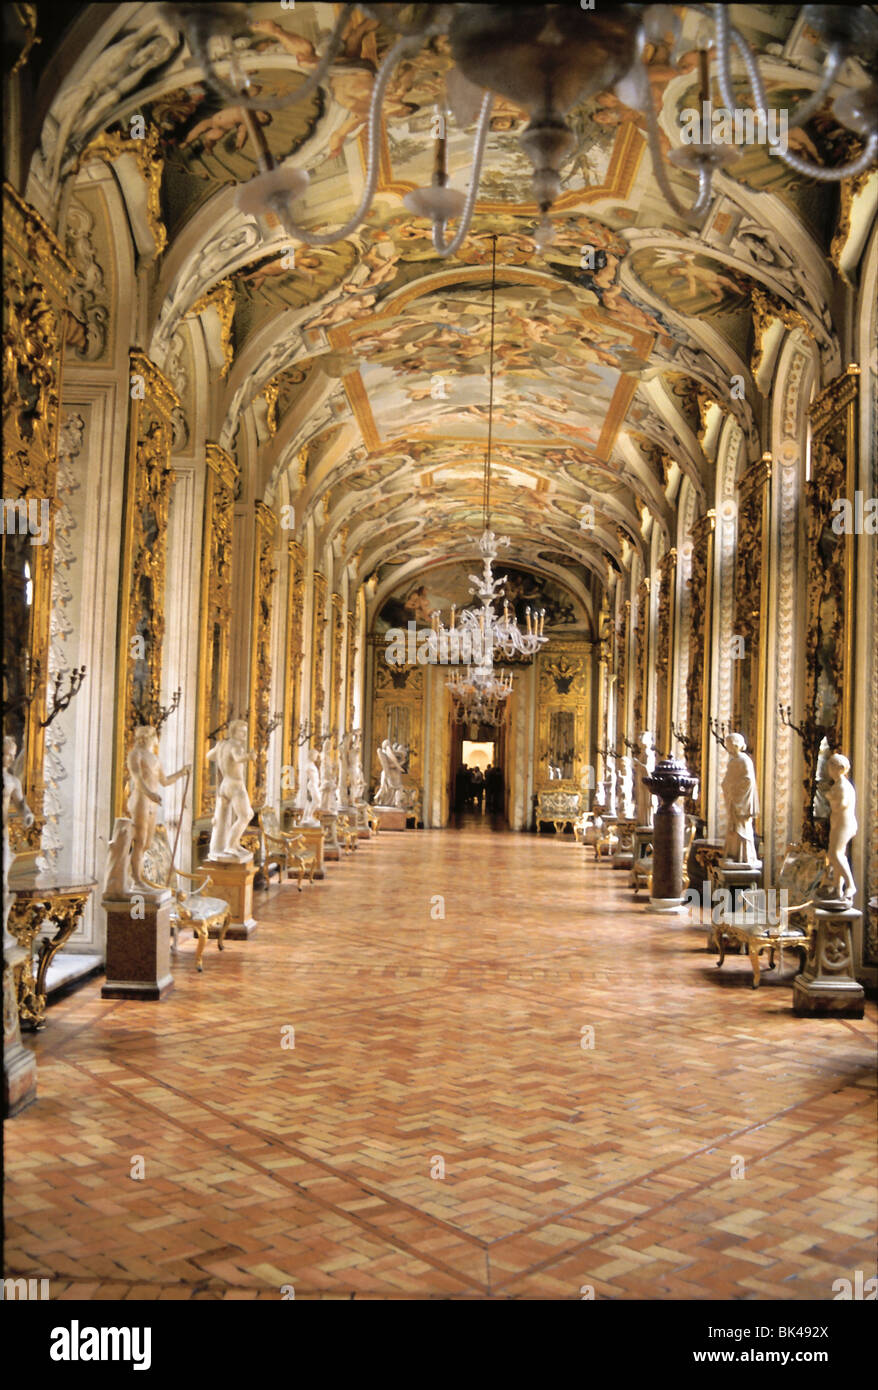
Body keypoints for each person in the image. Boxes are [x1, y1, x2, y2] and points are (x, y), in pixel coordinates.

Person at [127, 726, 190, 887]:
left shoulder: (155, 758)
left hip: (152, 801)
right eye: (154, 736)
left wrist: (181, 773)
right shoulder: (135, 754)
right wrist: (150, 794)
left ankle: (136, 876)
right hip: (141, 799)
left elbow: (164, 781)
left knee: (147, 843)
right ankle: (136, 880)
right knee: (140, 841)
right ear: (148, 737)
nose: (156, 740)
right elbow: (137, 779)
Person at [207, 720, 255, 862]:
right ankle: (230, 846)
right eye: (242, 731)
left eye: (246, 731)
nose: (245, 734)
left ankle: (233, 843)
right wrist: (249, 757)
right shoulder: (236, 746)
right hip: (235, 785)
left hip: (225, 784)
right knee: (246, 815)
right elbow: (238, 757)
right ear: (233, 731)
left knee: (227, 818)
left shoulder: (222, 744)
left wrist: (222, 757)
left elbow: (209, 756)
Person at [721, 732, 760, 865]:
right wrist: (727, 785)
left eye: (728, 745)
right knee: (733, 830)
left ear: (735, 745)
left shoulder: (744, 760)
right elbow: (728, 779)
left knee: (741, 828)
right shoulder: (733, 761)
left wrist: (733, 789)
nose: (727, 748)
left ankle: (744, 856)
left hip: (741, 801)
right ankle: (734, 854)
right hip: (734, 800)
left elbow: (748, 781)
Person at [825, 753, 857, 901]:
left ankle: (850, 885)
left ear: (840, 768)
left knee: (834, 854)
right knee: (838, 855)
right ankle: (838, 889)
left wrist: (830, 798)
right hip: (838, 823)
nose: (829, 769)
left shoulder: (843, 786)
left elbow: (841, 805)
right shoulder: (838, 784)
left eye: (831, 765)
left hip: (844, 824)